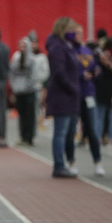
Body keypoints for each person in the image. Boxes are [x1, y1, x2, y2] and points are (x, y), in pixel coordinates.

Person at [45, 17, 81, 178]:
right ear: (62, 30)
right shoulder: (57, 47)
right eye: (71, 30)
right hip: (62, 96)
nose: (74, 33)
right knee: (60, 132)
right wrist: (73, 88)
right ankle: (59, 165)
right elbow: (59, 72)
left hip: (70, 96)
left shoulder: (69, 46)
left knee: (68, 132)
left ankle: (65, 163)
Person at [73, 26, 105, 176]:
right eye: (76, 32)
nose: (79, 35)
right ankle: (70, 162)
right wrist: (80, 75)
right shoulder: (69, 50)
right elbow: (64, 71)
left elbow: (96, 67)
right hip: (73, 95)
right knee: (70, 130)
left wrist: (97, 72)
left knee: (92, 130)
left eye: (81, 32)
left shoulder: (88, 51)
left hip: (89, 94)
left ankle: (98, 162)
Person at [9, 37, 37, 146]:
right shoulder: (15, 58)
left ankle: (29, 137)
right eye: (20, 46)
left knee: (30, 115)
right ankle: (22, 136)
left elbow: (34, 76)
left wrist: (27, 86)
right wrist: (14, 87)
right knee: (21, 114)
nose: (22, 48)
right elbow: (12, 74)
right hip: (19, 91)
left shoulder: (32, 59)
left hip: (29, 91)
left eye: (24, 46)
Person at [28, 31, 50, 133]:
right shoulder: (24, 57)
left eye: (34, 42)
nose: (32, 45)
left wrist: (44, 88)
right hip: (26, 88)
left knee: (37, 108)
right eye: (30, 42)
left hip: (38, 87)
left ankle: (34, 131)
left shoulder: (41, 57)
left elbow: (46, 74)